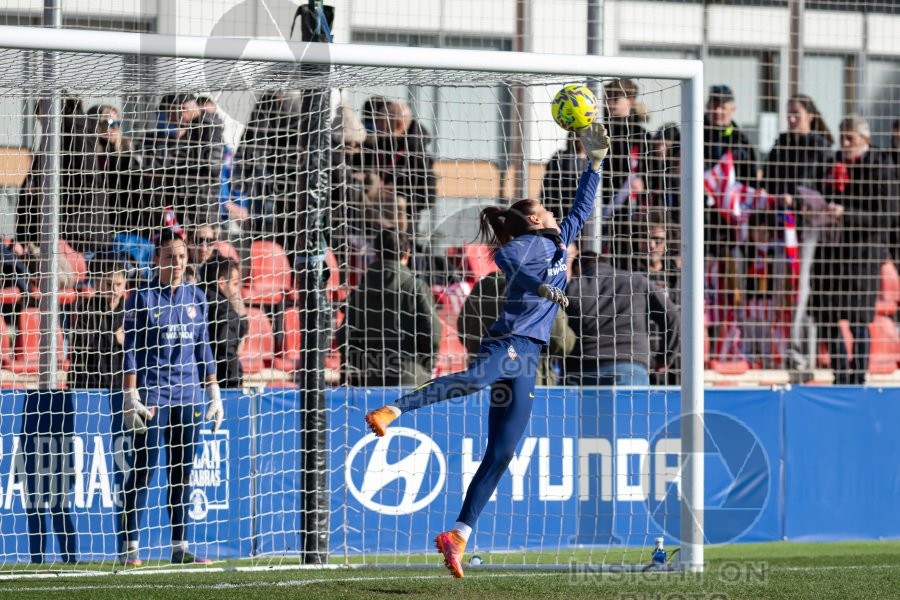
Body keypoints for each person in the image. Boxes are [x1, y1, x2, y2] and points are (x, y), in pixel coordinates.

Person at [363, 122, 610, 578]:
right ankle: (392, 410)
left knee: (503, 452)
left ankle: (458, 533)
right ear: (534, 219)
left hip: (530, 360)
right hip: (510, 343)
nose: (556, 213)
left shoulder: (559, 240)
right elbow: (513, 268)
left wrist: (594, 162)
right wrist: (543, 288)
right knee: (476, 378)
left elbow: (582, 204)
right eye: (546, 210)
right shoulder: (519, 247)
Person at [118, 228, 223, 566]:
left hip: (189, 394)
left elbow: (203, 347)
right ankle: (130, 547)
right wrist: (129, 393)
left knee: (182, 471)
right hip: (152, 395)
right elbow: (131, 348)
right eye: (169, 257)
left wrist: (213, 390)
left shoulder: (196, 297)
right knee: (145, 468)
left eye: (181, 257)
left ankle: (180, 548)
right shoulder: (142, 297)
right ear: (156, 260)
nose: (177, 263)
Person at [809, 115, 898, 385]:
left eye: (850, 138)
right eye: (842, 137)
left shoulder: (880, 166)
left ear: (865, 139)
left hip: (862, 255)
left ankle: (857, 377)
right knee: (827, 315)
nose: (844, 143)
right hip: (831, 252)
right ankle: (840, 373)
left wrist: (846, 213)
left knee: (859, 319)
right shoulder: (831, 163)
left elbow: (887, 216)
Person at [456, 249, 578, 386]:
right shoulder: (537, 294)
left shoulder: (484, 287)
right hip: (527, 386)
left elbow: (463, 332)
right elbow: (563, 342)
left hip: (481, 382)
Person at [338, 228, 441, 386]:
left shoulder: (360, 292)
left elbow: (344, 337)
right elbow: (432, 331)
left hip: (371, 383)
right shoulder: (416, 288)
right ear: (407, 253)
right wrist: (425, 366)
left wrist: (363, 367)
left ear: (376, 254)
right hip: (411, 380)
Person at [564, 251, 679, 386]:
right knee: (628, 407)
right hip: (630, 365)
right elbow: (672, 315)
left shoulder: (573, 288)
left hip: (584, 367)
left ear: (578, 269)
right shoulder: (637, 281)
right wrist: (665, 357)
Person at [68, 257, 127, 390]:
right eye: (108, 284)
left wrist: (127, 340)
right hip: (92, 384)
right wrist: (115, 338)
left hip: (122, 384)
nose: (114, 290)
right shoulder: (88, 309)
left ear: (125, 283)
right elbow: (82, 346)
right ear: (98, 283)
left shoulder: (131, 310)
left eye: (118, 284)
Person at [200, 254, 249, 388]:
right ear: (221, 282)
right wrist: (235, 383)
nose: (236, 291)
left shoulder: (193, 299)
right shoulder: (225, 312)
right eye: (235, 284)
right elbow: (226, 354)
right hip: (220, 386)